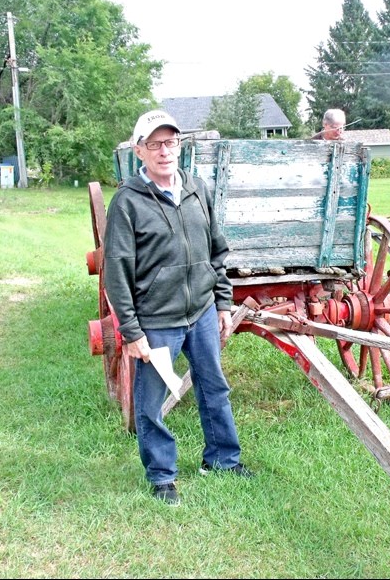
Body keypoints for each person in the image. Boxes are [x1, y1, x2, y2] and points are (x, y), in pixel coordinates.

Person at [103, 109, 252, 507]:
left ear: (180, 146)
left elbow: (216, 251)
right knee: (151, 404)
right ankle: (162, 475)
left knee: (214, 386)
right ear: (140, 151)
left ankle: (222, 459)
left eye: (170, 142)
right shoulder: (127, 202)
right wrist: (132, 332)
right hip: (156, 321)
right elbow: (115, 272)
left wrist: (221, 302)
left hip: (201, 310)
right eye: (154, 144)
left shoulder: (197, 188)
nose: (164, 151)